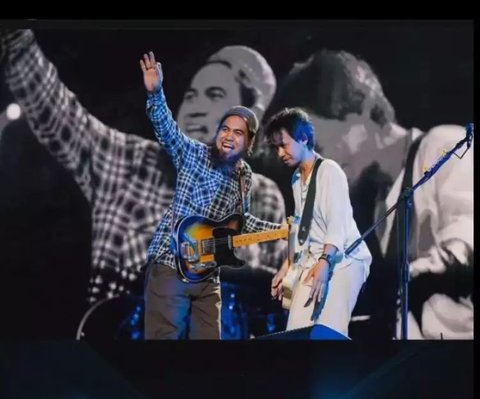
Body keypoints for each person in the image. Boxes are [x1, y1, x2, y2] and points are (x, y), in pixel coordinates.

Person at [0, 30, 285, 338]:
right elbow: (57, 113)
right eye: (191, 96)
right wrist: (16, 38)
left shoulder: (263, 195)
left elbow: (276, 305)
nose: (195, 107)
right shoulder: (127, 160)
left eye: (215, 95)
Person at [262, 49, 474, 339]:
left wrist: (428, 267)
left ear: (360, 111)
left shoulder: (445, 145)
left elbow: (468, 230)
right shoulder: (377, 204)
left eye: (318, 148)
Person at [140, 51, 283, 339]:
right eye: (224, 129)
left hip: (209, 273)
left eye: (237, 133)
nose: (228, 136)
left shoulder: (244, 176)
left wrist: (281, 230)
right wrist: (156, 95)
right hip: (171, 264)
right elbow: (166, 130)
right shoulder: (194, 153)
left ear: (249, 143)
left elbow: (241, 224)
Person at [265, 107, 372, 338]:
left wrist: (325, 261)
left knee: (328, 331)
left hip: (344, 259)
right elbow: (303, 230)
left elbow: (337, 222)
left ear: (303, 138)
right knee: (296, 331)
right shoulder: (296, 179)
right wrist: (287, 266)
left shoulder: (329, 171)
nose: (280, 153)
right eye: (276, 148)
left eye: (283, 145)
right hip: (313, 260)